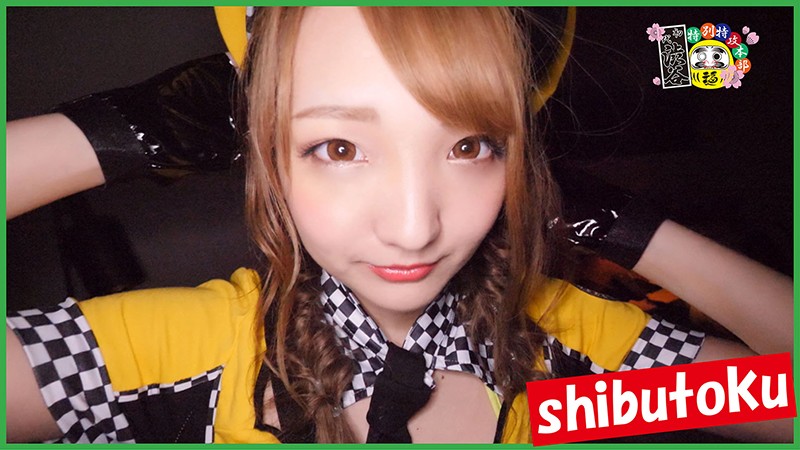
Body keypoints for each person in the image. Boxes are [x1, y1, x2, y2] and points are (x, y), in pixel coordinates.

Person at [5, 7, 793, 444]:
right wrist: (132, 130)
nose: (415, 228)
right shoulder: (177, 357)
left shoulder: (565, 355)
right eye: (339, 147)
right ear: (270, 157)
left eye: (470, 146)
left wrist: (609, 220)